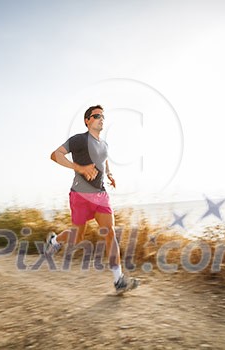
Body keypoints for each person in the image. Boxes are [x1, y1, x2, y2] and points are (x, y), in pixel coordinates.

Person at [48, 105, 139, 294]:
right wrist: (79, 168)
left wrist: (110, 174)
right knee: (77, 237)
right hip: (79, 195)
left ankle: (118, 279)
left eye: (103, 116)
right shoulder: (78, 139)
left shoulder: (104, 145)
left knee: (110, 233)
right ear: (87, 120)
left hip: (100, 195)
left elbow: (104, 159)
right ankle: (55, 240)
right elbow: (55, 155)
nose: (101, 118)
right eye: (96, 116)